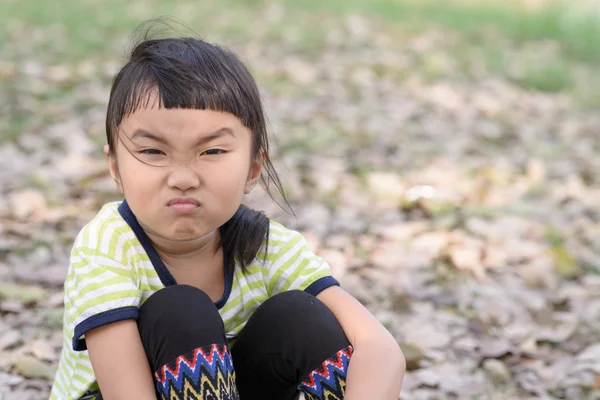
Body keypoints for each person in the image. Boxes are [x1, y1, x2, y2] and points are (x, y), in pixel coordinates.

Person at [50, 20, 405, 400]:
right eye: (153, 151)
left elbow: (380, 349)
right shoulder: (107, 246)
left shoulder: (268, 248)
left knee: (301, 315)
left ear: (253, 168)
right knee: (181, 309)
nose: (183, 178)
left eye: (212, 151)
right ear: (116, 167)